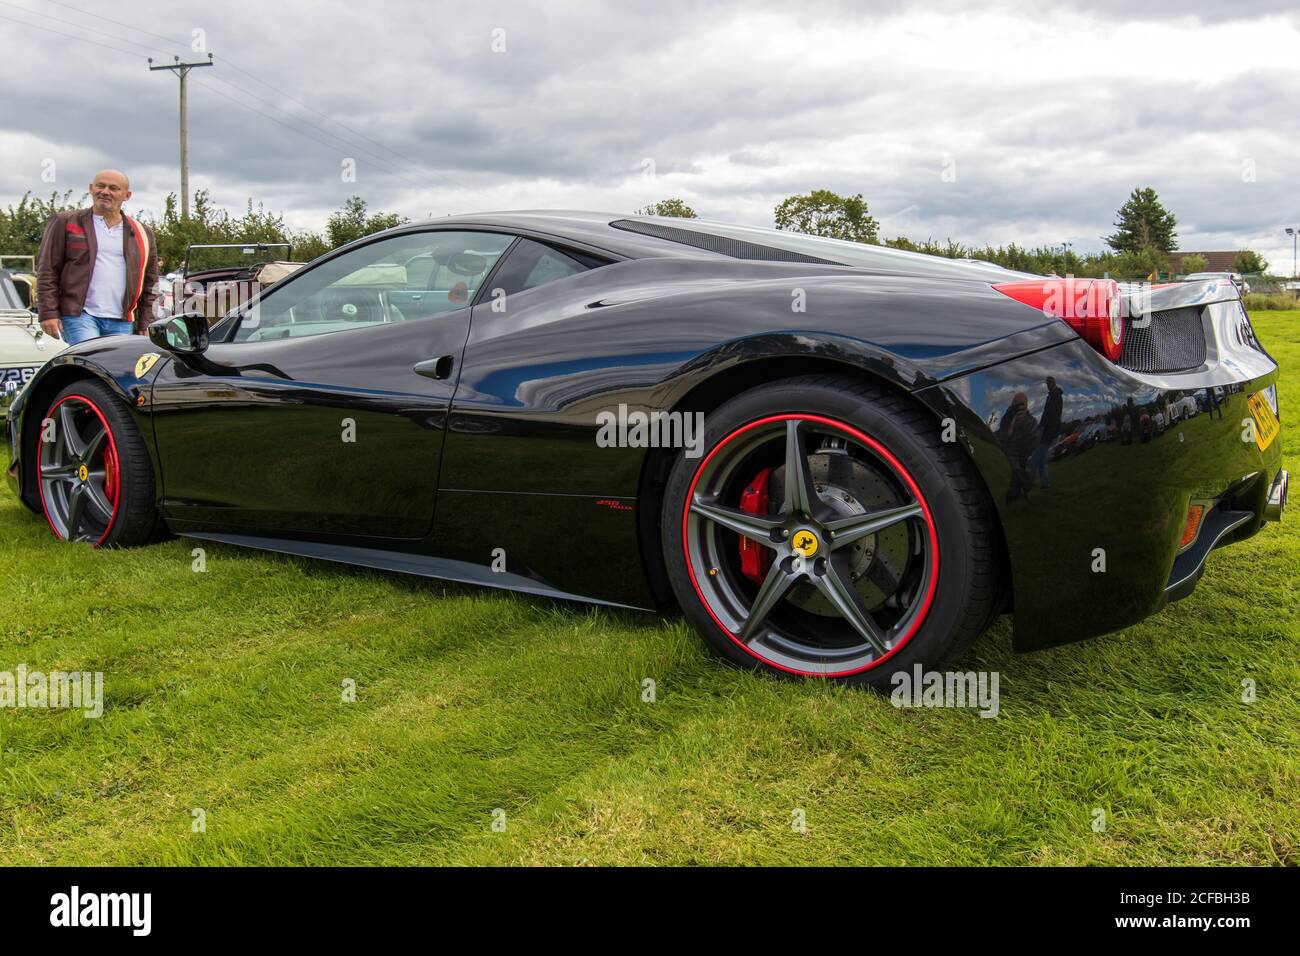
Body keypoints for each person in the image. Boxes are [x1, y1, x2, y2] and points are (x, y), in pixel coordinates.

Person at [36, 169, 159, 345]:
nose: (105, 191)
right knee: (93, 362)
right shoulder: (65, 222)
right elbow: (47, 269)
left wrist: (147, 321)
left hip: (123, 320)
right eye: (100, 186)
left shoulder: (142, 232)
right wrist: (48, 312)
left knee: (119, 370)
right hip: (79, 315)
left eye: (113, 188)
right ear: (91, 189)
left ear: (127, 195)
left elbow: (151, 282)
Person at [998, 391, 1039, 504]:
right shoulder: (1006, 420)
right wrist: (1010, 428)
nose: (1019, 408)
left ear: (1026, 407)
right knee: (1014, 482)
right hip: (1011, 457)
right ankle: (1012, 498)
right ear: (1012, 406)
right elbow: (1001, 440)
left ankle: (1025, 492)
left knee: (1028, 481)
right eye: (1016, 405)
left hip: (1025, 457)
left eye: (1022, 405)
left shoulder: (1031, 421)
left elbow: (1034, 442)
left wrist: (1023, 424)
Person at [1028, 375, 1064, 489]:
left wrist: (1042, 427)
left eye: (1049, 383)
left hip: (1049, 432)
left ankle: (1028, 482)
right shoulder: (1051, 396)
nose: (1048, 385)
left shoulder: (1055, 396)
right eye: (1047, 383)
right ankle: (1046, 483)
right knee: (1042, 460)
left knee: (1035, 458)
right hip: (1047, 430)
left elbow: (1051, 414)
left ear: (1053, 383)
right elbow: (1046, 413)